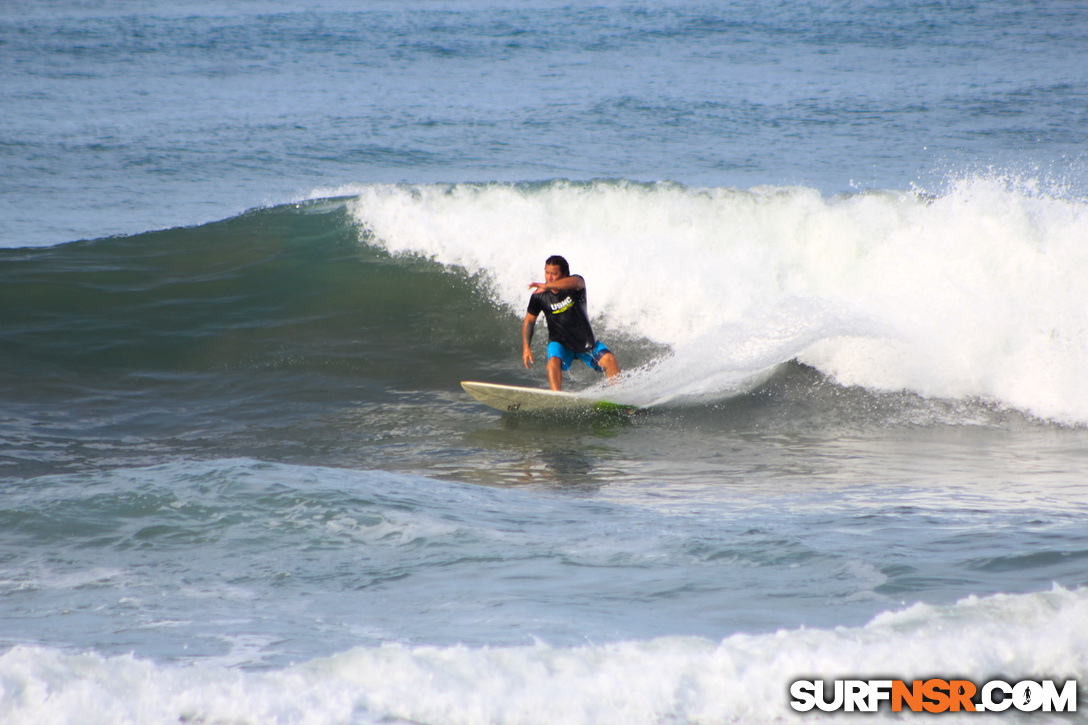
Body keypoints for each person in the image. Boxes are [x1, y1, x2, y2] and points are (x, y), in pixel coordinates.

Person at [522, 255, 620, 391]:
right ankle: (557, 399)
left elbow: (575, 282)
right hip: (559, 341)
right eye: (547, 272)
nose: (549, 277)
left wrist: (548, 286)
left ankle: (619, 397)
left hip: (583, 338)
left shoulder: (576, 284)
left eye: (554, 274)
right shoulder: (539, 296)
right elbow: (529, 320)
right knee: (552, 362)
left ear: (564, 274)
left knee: (609, 360)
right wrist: (526, 347)